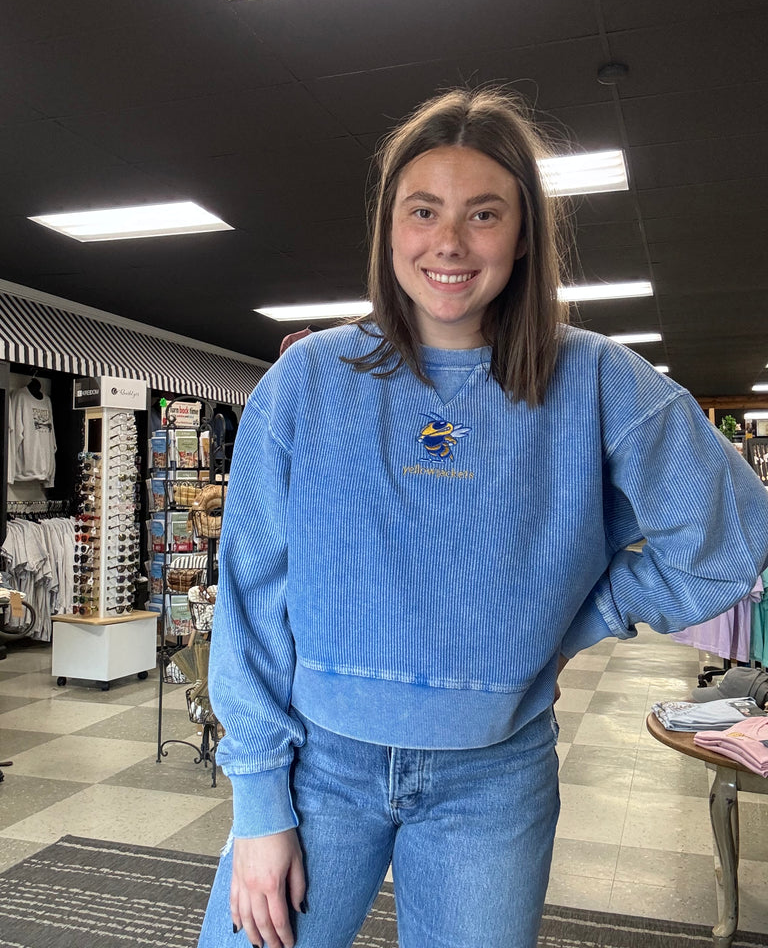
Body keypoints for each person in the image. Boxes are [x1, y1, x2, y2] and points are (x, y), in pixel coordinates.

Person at [198, 88, 768, 948]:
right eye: (422, 211)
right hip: (318, 768)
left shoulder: (601, 383)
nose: (449, 242)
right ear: (390, 227)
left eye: (484, 214)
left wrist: (587, 614)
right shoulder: (306, 384)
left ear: (525, 234)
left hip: (495, 782)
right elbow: (247, 602)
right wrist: (258, 806)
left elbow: (731, 540)